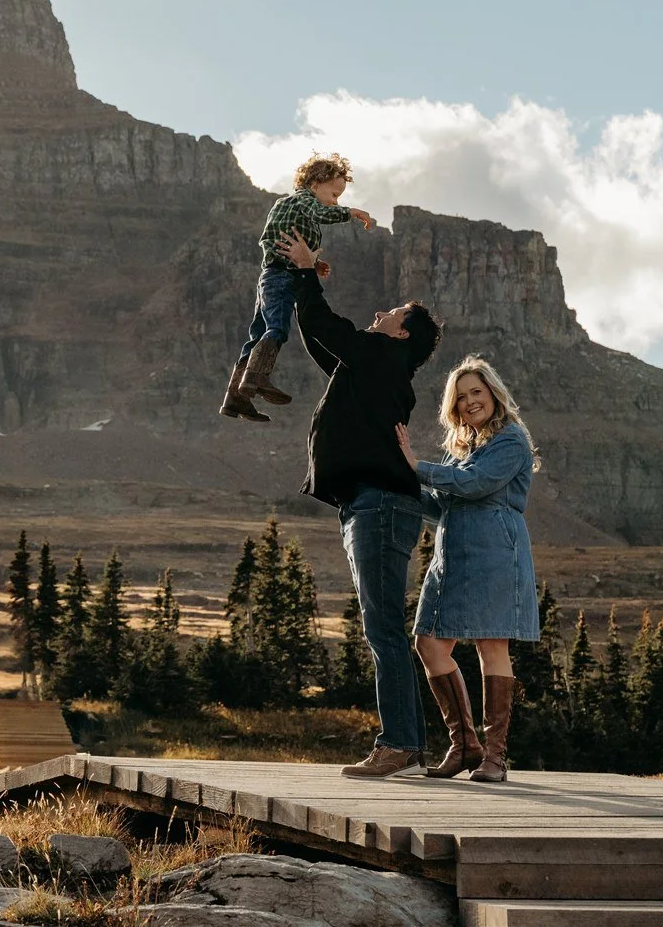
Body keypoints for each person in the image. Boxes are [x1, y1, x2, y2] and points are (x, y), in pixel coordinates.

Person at [273, 229, 442, 778]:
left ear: (401, 335)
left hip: (379, 506)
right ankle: (406, 747)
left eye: (390, 313)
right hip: (373, 506)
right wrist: (306, 281)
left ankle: (400, 747)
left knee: (383, 628)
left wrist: (304, 268)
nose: (378, 313)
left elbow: (329, 330)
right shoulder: (376, 366)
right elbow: (321, 339)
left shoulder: (381, 359)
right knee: (384, 626)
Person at [397, 356, 540, 782]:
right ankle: (464, 746)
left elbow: (476, 484)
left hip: (496, 553)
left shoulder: (511, 440)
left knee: (491, 648)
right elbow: (442, 504)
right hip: (452, 556)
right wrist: (402, 481)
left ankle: (494, 758)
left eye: (476, 391)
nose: (470, 401)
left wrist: (417, 468)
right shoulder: (464, 448)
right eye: (461, 397)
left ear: (493, 392)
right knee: (429, 645)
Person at [220, 153, 373, 423]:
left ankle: (235, 398)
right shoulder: (303, 201)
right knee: (277, 328)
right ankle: (257, 377)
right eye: (335, 194)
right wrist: (349, 212)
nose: (336, 200)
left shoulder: (295, 208)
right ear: (315, 184)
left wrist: (314, 265)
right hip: (279, 277)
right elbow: (320, 212)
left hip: (272, 276)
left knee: (257, 335)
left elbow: (290, 242)